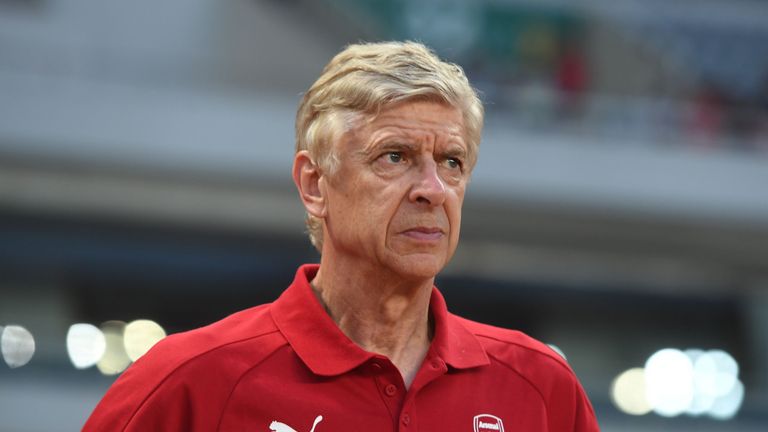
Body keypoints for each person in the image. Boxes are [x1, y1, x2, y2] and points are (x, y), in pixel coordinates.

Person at [83, 41, 600, 432]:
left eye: (452, 162)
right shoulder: (190, 381)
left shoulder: (541, 388)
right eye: (394, 157)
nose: (433, 189)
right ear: (314, 184)